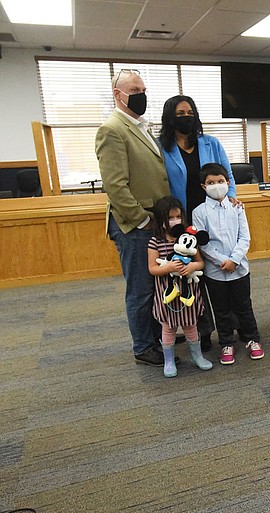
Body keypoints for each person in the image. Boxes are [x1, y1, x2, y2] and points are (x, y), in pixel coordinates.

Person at [96, 69, 171, 366]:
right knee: (140, 288)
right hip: (134, 225)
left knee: (154, 285)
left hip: (154, 221)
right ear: (118, 94)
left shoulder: (140, 127)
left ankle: (156, 336)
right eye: (135, 89)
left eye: (143, 89)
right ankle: (143, 347)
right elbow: (115, 186)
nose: (142, 94)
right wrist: (141, 219)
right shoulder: (112, 129)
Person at [159, 94, 237, 351]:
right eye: (180, 113)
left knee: (221, 270)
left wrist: (232, 199)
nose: (186, 117)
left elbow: (228, 175)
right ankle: (202, 331)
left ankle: (232, 325)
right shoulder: (162, 147)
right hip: (183, 222)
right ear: (170, 117)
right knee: (194, 275)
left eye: (189, 112)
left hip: (214, 217)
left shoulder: (211, 143)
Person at [192, 163, 264, 365]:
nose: (216, 185)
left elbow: (245, 238)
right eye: (211, 183)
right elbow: (202, 242)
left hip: (240, 268)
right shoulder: (200, 212)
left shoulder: (237, 207)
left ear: (228, 183)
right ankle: (226, 342)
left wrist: (234, 259)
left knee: (244, 306)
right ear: (203, 186)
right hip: (215, 271)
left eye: (220, 182)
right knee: (221, 309)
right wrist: (221, 260)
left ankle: (252, 339)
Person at [147, 197, 213, 377]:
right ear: (161, 220)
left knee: (191, 326)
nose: (175, 221)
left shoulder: (188, 239)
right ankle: (169, 360)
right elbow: (152, 268)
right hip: (167, 294)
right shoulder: (155, 242)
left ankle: (197, 356)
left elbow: (200, 262)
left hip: (187, 293)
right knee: (168, 328)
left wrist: (192, 266)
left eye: (178, 217)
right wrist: (167, 267)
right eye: (170, 217)